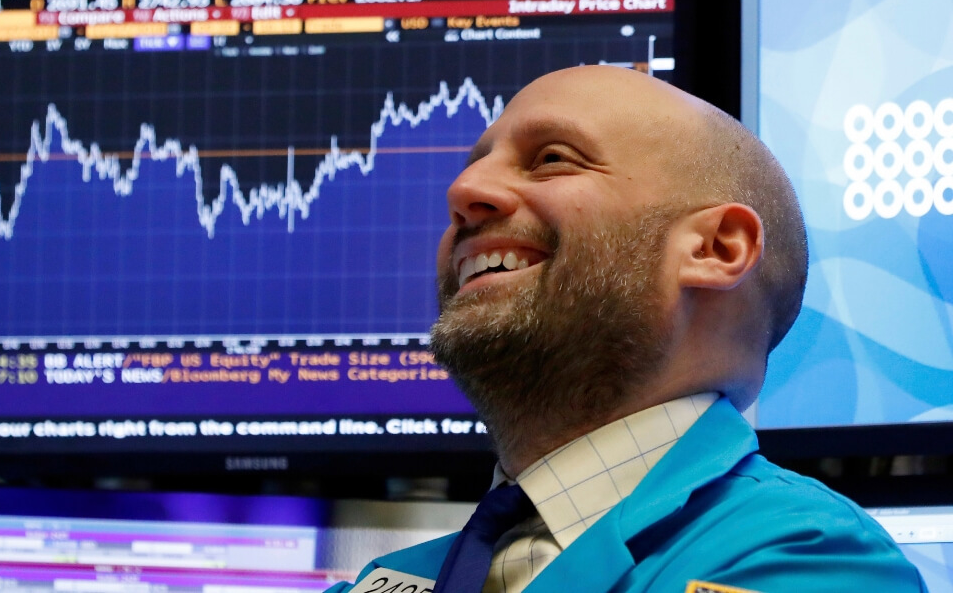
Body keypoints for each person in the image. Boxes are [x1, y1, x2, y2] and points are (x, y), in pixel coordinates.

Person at [328, 66, 926, 593]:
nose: (464, 192)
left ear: (716, 248)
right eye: (475, 165)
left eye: (552, 159)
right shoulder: (394, 579)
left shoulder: (805, 560)